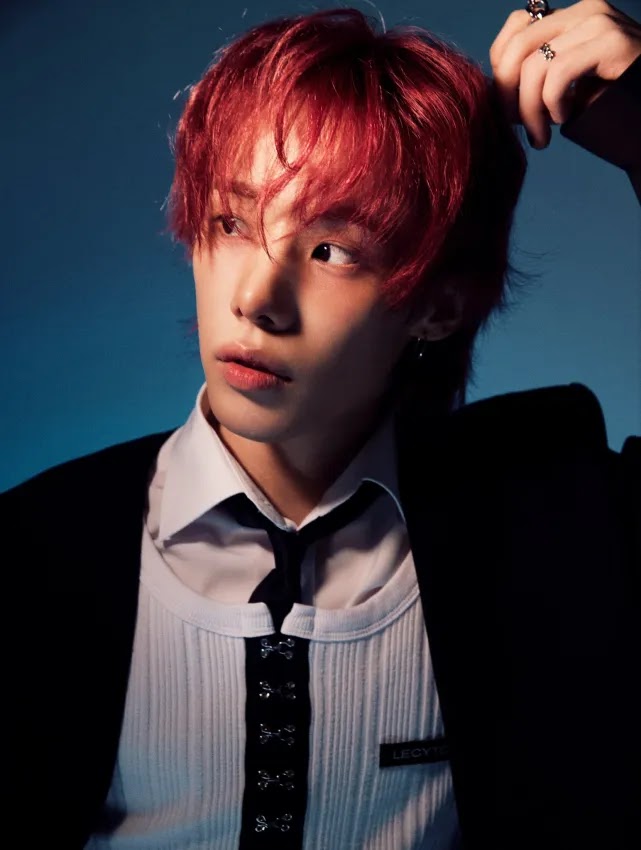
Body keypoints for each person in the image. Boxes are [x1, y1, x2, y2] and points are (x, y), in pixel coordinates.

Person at [5, 1, 640, 848]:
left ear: (440, 306)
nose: (254, 299)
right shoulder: (33, 548)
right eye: (231, 223)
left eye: (331, 251)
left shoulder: (551, 528)